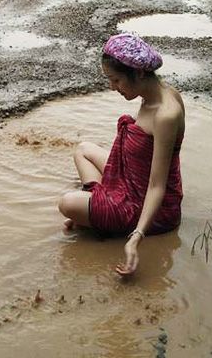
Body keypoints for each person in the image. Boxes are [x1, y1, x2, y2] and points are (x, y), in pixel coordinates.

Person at [58, 33, 185, 276]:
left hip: (146, 202)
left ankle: (96, 217)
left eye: (116, 80)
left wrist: (136, 238)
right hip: (129, 177)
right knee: (83, 149)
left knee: (67, 203)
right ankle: (96, 211)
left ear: (138, 73)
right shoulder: (155, 93)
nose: (112, 87)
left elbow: (157, 185)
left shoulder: (166, 114)